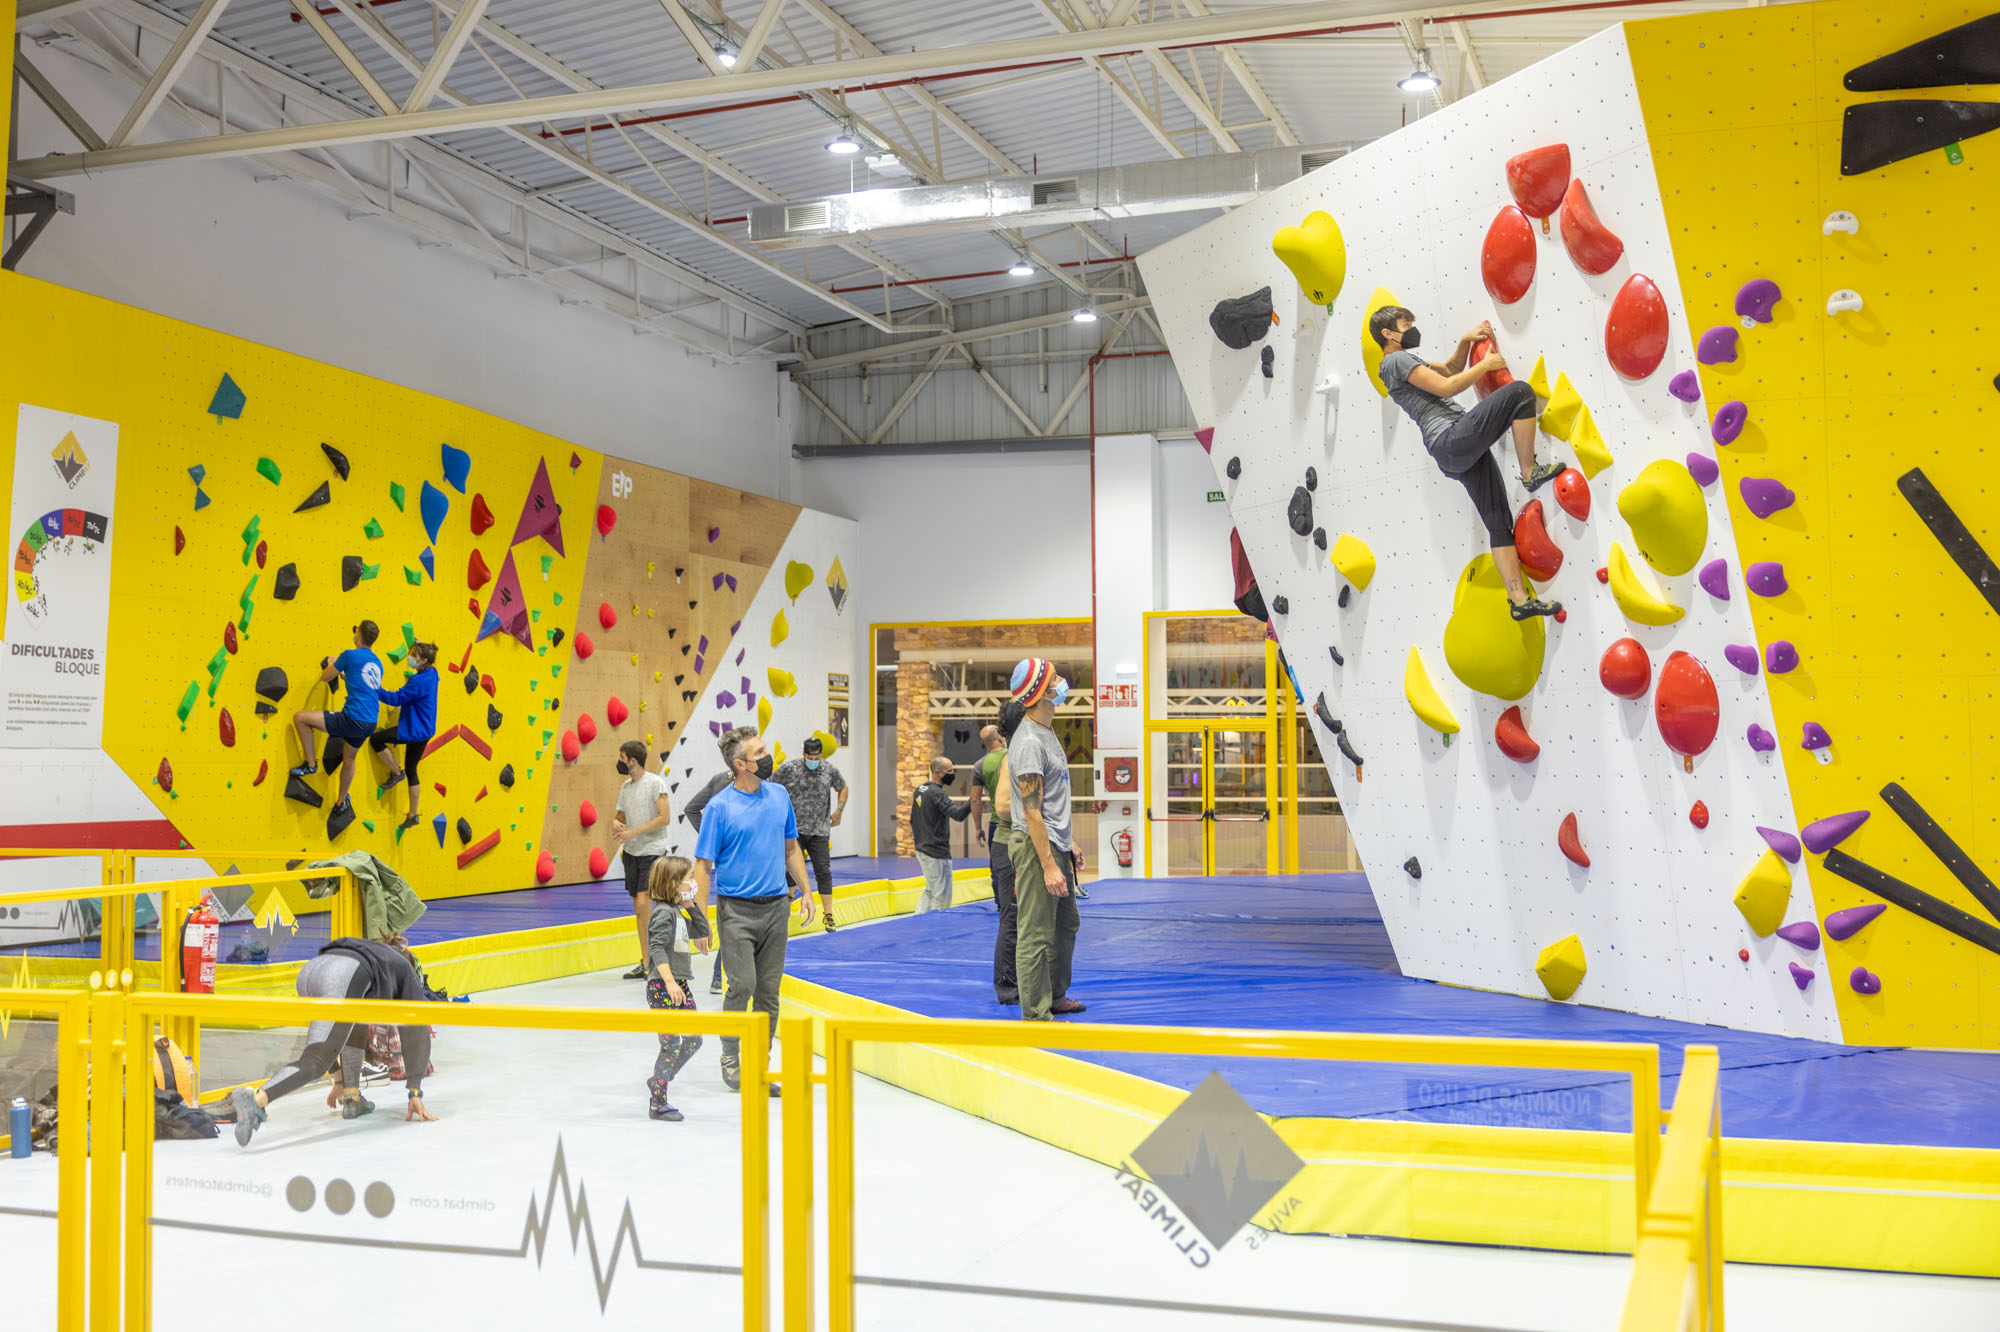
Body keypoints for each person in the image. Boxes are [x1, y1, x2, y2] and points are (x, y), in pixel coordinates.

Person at [1369, 306, 1564, 621]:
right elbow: (1448, 387)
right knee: (1520, 393)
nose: (1410, 329)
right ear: (1388, 334)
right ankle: (1529, 471)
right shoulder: (1396, 359)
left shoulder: (1399, 362)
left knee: (1499, 523)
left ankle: (1518, 601)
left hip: (1453, 454)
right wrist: (1486, 364)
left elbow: (1448, 369)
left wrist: (1464, 341)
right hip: (1451, 438)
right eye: (1405, 324)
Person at [691, 725, 816, 1095]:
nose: (767, 756)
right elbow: (702, 866)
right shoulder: (720, 807)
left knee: (769, 992)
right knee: (742, 984)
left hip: (777, 906)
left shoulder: (779, 796)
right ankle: (731, 1056)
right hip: (737, 911)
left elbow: (791, 848)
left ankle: (759, 1064)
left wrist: (806, 892)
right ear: (740, 763)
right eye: (759, 752)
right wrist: (701, 922)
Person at [228, 934, 438, 1145]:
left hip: (312, 971)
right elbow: (416, 1029)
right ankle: (256, 1101)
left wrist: (339, 1080)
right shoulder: (404, 968)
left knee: (341, 1030)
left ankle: (352, 1098)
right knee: (316, 1060)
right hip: (343, 975)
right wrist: (414, 1092)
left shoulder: (375, 959)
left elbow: (349, 1032)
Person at [1006, 659, 1086, 1021]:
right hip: (1036, 846)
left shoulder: (1047, 731)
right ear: (1042, 693)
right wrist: (1049, 864)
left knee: (1066, 923)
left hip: (1056, 842)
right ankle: (1036, 1013)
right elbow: (1032, 812)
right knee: (1037, 932)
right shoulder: (1027, 743)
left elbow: (1053, 802)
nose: (1062, 682)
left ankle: (1055, 994)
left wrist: (1069, 844)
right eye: (1055, 678)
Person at [288, 621, 386, 822]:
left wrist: (334, 663)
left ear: (358, 634)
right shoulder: (377, 663)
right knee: (349, 758)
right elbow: (361, 683)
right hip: (369, 722)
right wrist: (343, 673)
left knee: (301, 718)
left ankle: (310, 764)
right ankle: (341, 802)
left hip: (352, 718)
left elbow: (325, 677)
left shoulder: (349, 655)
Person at [641, 856, 710, 1122]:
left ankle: (660, 1079)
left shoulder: (677, 911)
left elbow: (701, 930)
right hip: (663, 986)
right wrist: (668, 981)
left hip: (678, 985)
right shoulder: (662, 913)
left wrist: (691, 904)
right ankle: (658, 1101)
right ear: (672, 884)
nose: (695, 882)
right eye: (690, 878)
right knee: (671, 1044)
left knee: (694, 1039)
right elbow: (656, 948)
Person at [770, 736, 849, 932]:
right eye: (811, 757)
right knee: (789, 869)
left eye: (817, 757)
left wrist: (839, 810)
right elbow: (770, 784)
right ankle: (786, 905)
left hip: (820, 830)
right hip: (794, 830)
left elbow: (843, 787)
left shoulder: (828, 769)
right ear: (804, 755)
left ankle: (828, 914)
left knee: (823, 871)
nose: (814, 760)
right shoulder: (791, 769)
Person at [611, 740, 674, 980]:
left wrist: (632, 832)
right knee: (639, 909)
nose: (620, 761)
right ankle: (646, 960)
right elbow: (620, 814)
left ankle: (657, 960)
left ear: (632, 761)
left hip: (652, 850)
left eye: (622, 757)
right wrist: (615, 823)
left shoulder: (655, 783)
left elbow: (664, 818)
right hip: (632, 852)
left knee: (643, 903)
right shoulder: (626, 787)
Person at [979, 705, 1026, 1003]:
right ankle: (1007, 986)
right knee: (1011, 914)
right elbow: (1002, 806)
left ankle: (1019, 979)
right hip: (1008, 842)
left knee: (1019, 916)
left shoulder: (1017, 754)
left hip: (1013, 839)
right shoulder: (1009, 759)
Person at [368, 640, 438, 832]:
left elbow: (396, 698)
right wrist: (419, 645)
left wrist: (375, 689)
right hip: (425, 730)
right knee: (412, 768)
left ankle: (396, 773)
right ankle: (413, 814)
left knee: (376, 739)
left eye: (414, 656)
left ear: (424, 660)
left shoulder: (418, 681)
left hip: (413, 730)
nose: (410, 658)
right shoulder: (433, 673)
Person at [682, 766, 735, 995]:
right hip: (738, 859)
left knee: (731, 921)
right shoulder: (749, 784)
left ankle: (717, 978)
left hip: (724, 858)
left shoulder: (719, 778)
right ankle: (721, 977)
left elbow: (691, 809)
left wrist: (710, 834)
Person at [910, 756, 971, 913]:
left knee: (930, 891)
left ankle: (917, 921)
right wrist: (974, 801)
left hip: (922, 848)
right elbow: (957, 815)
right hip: (936, 851)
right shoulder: (938, 794)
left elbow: (912, 820)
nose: (953, 774)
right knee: (942, 897)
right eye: (949, 771)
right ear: (937, 772)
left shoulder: (920, 790)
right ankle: (937, 929)